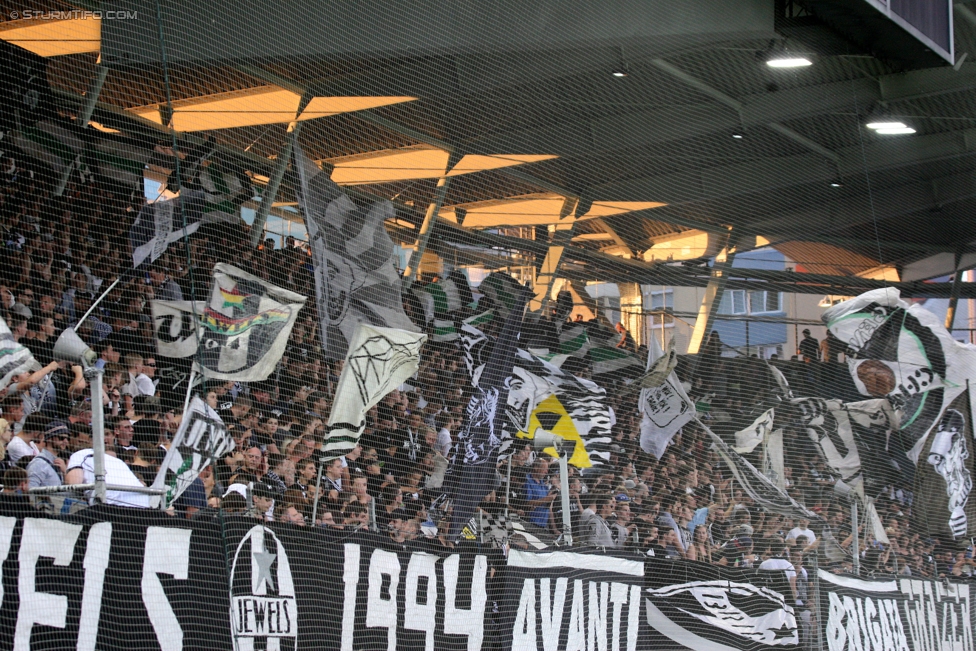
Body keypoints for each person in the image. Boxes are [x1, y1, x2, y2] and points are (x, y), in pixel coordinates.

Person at [65, 437, 151, 508]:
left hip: (111, 506)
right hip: (143, 505)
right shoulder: (117, 461)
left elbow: (74, 483)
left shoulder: (79, 455)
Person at [27, 419, 69, 489]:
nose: (66, 441)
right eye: (61, 438)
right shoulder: (38, 464)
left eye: (67, 438)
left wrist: (65, 473)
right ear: (49, 439)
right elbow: (31, 491)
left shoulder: (60, 463)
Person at [523, 457, 557, 528]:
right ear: (536, 468)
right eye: (544, 469)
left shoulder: (543, 484)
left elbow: (549, 507)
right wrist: (547, 499)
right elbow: (527, 503)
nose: (546, 472)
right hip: (530, 523)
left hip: (543, 524)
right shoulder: (527, 481)